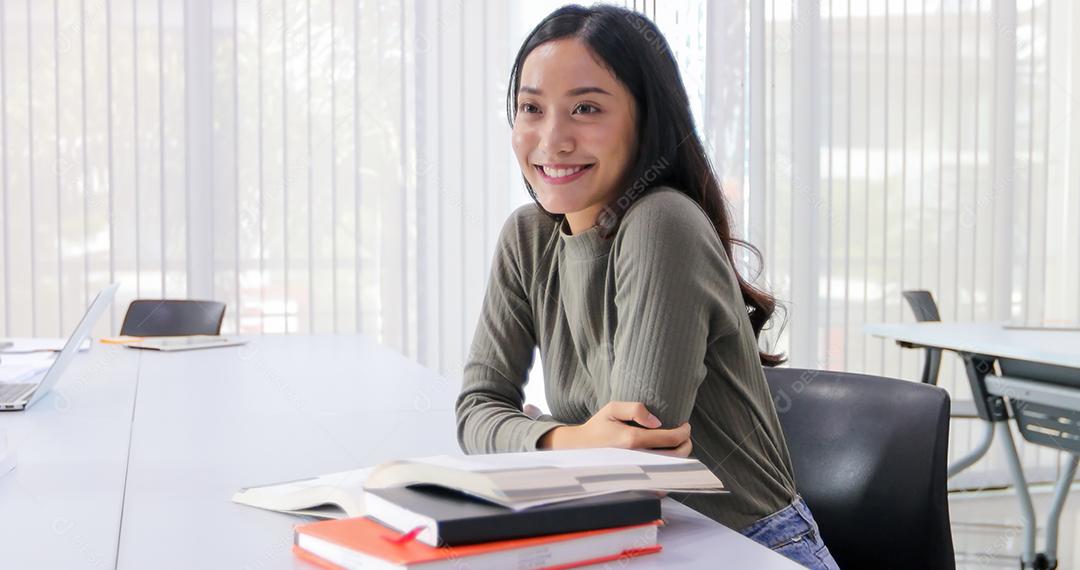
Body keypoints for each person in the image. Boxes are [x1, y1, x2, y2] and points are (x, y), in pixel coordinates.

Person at [454, 5, 838, 568]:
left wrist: (533, 430)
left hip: (749, 548)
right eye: (531, 108)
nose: (552, 139)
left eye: (586, 108)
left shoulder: (662, 221)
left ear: (646, 119)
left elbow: (635, 460)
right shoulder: (527, 237)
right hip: (631, 541)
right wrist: (575, 439)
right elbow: (474, 414)